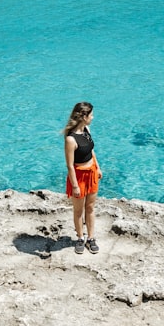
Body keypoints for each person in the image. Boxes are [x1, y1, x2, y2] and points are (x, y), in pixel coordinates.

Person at [63, 101, 102, 254]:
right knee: (78, 210)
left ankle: (91, 238)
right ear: (84, 116)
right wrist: (75, 186)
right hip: (78, 177)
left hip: (91, 172)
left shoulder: (87, 129)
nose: (92, 117)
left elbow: (91, 151)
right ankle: (80, 237)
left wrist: (98, 167)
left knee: (90, 207)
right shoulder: (70, 139)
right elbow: (70, 165)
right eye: (91, 114)